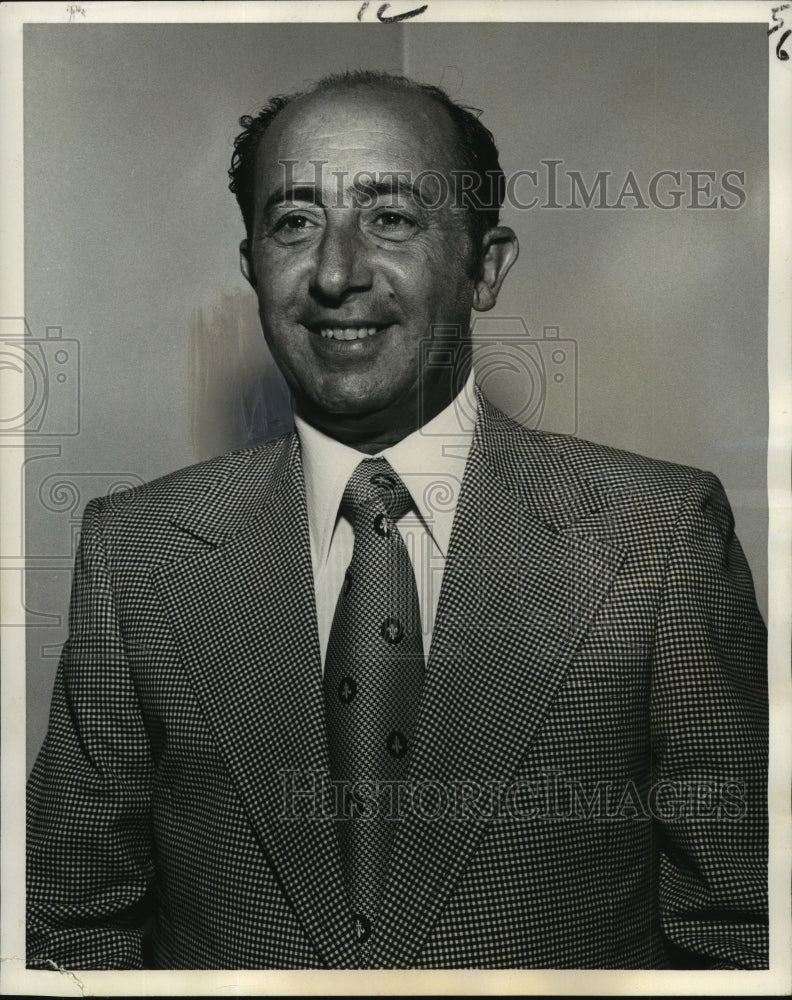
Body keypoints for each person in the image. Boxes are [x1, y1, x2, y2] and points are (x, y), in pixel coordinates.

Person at [26, 70, 767, 970]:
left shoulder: (656, 540)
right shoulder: (135, 551)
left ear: (484, 267)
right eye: (295, 221)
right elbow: (68, 931)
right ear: (253, 263)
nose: (336, 273)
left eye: (392, 218)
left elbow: (742, 934)